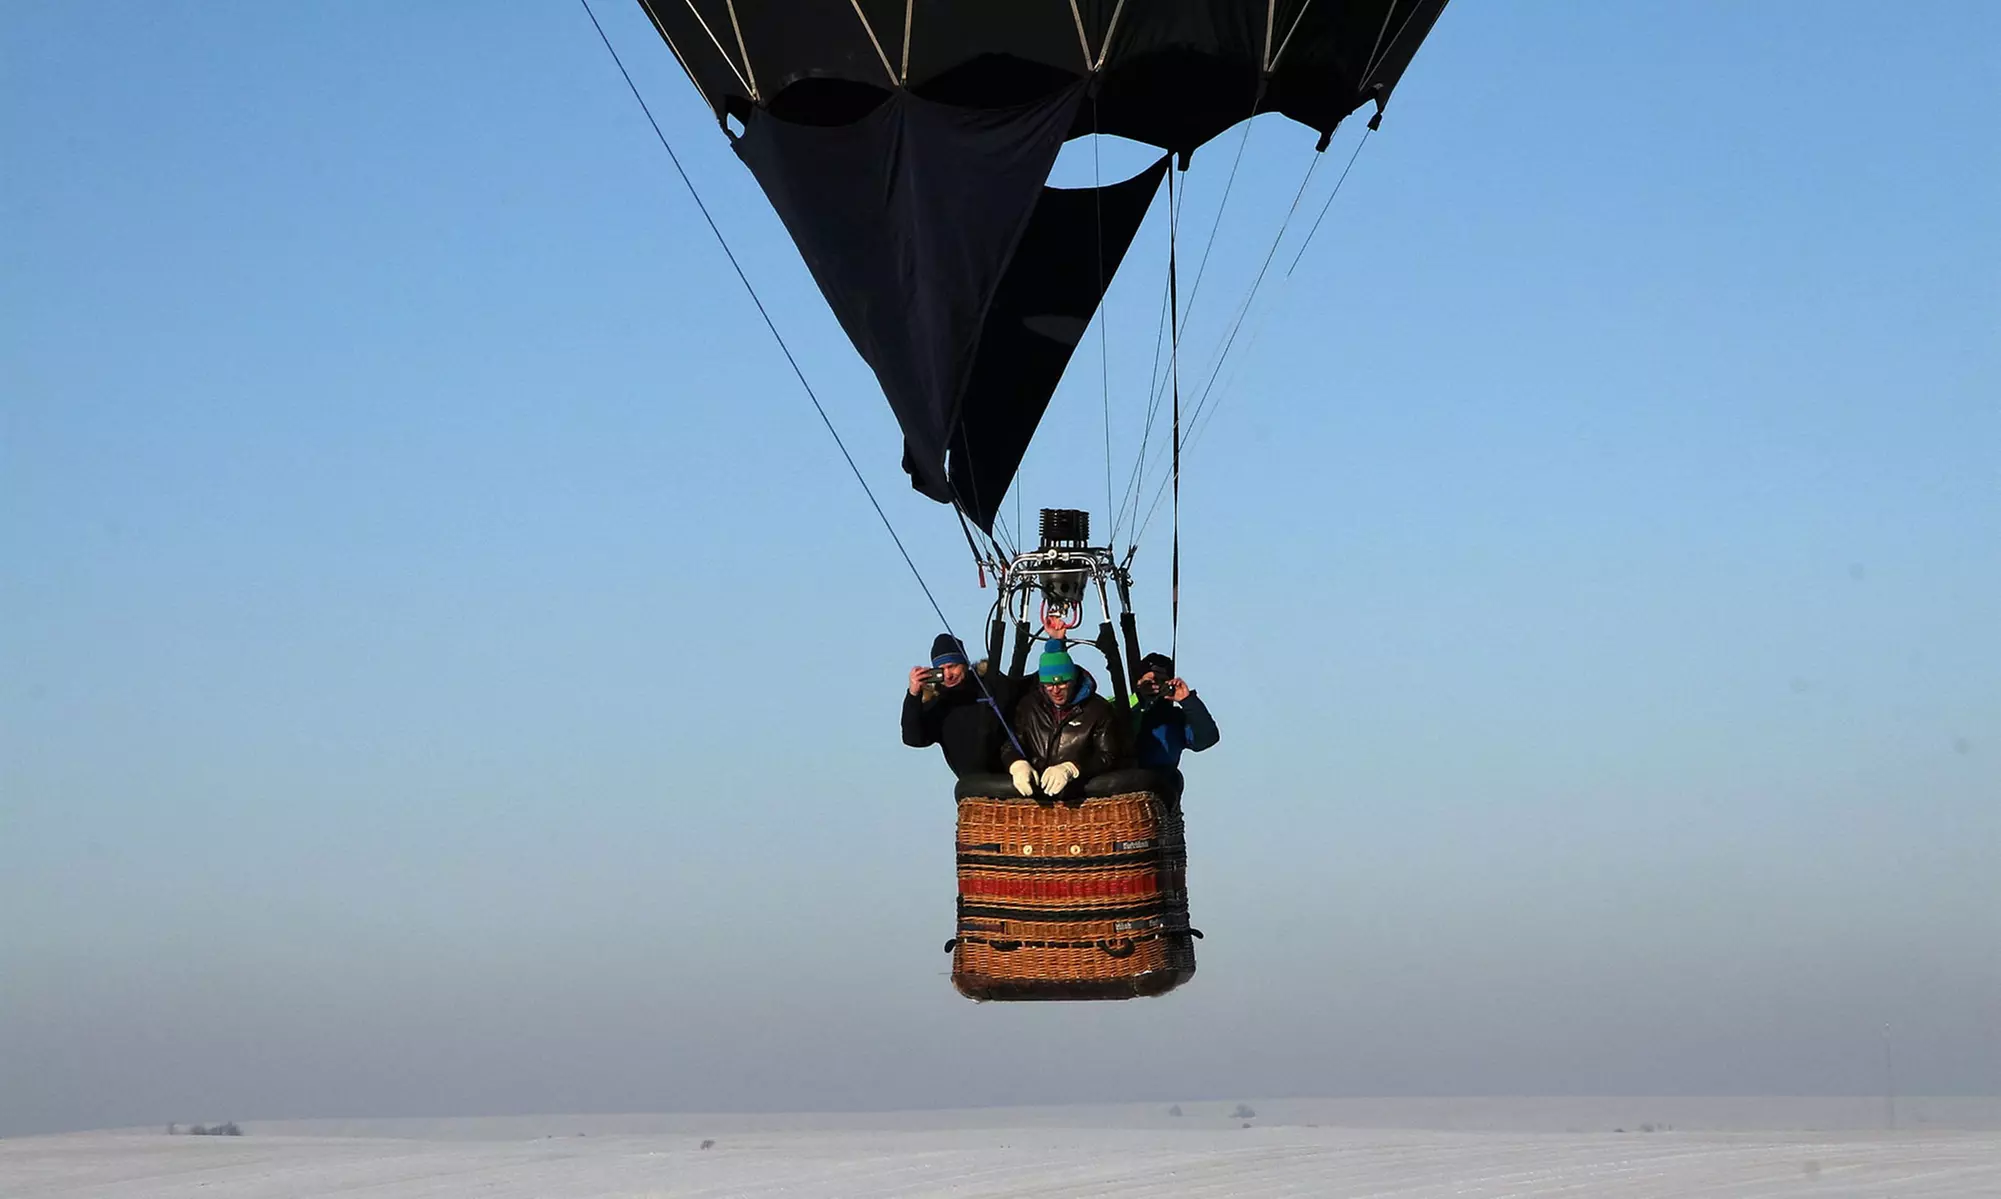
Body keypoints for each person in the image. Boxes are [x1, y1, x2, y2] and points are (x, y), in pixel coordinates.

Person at [999, 636, 1126, 798]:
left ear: (1073, 680)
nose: (1055, 690)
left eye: (1062, 683)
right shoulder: (1028, 707)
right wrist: (1016, 763)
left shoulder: (1098, 710)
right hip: (1036, 796)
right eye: (1049, 684)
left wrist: (1073, 768)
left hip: (1079, 797)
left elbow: (1108, 755)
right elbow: (1011, 743)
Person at [901, 633, 1009, 778]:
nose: (948, 675)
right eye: (941, 670)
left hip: (1013, 775)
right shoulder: (938, 705)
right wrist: (913, 695)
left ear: (964, 664)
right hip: (972, 786)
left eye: (952, 666)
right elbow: (913, 738)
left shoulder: (990, 687)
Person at [1130, 652, 1219, 770]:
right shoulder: (1120, 706)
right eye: (1151, 681)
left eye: (1162, 681)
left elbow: (1207, 738)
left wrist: (1188, 700)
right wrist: (1140, 698)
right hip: (1119, 777)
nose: (1156, 686)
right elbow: (1111, 718)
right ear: (1138, 682)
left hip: (1158, 779)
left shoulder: (1174, 718)